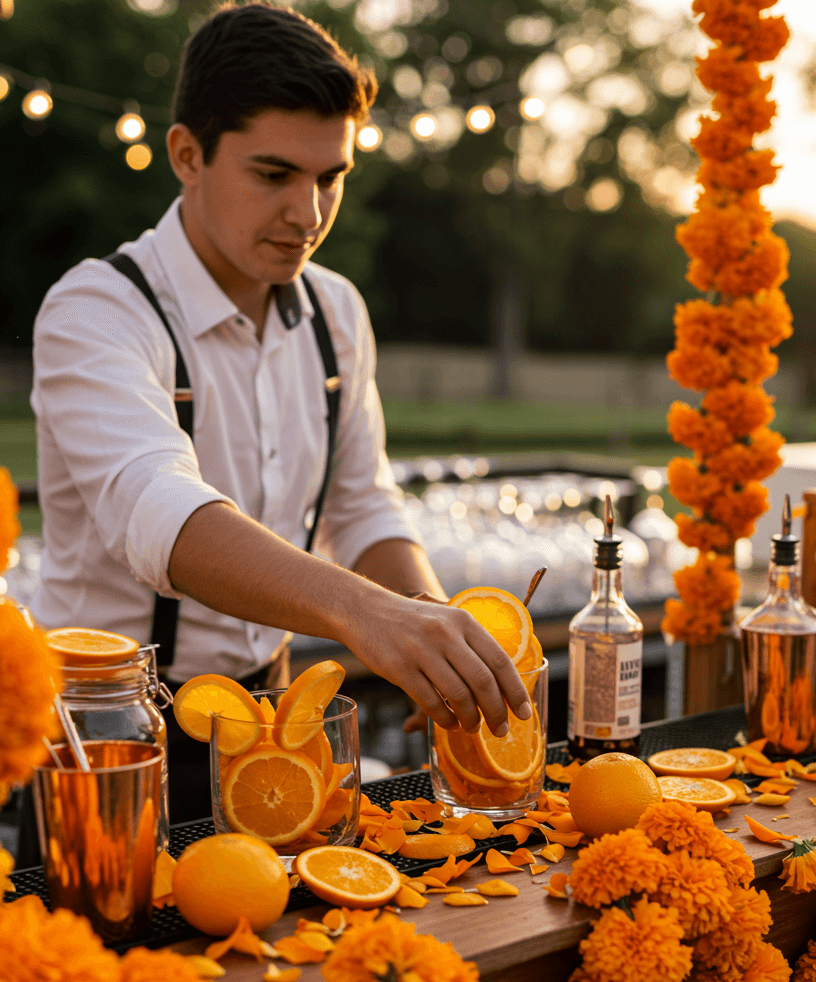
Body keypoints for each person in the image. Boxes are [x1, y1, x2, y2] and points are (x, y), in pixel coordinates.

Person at [29, 2, 529, 825]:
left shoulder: (337, 312)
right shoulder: (94, 310)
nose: (309, 213)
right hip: (107, 743)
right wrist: (367, 614)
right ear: (187, 155)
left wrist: (433, 631)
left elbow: (362, 506)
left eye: (330, 177)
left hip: (278, 723)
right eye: (274, 175)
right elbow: (161, 514)